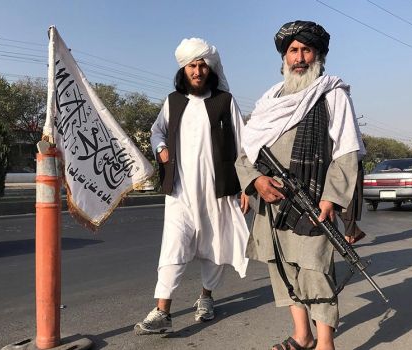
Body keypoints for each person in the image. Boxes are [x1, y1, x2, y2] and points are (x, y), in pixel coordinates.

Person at [235, 21, 365, 350]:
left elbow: (347, 152)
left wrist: (332, 199)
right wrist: (256, 181)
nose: (299, 57)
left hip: (311, 201)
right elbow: (245, 151)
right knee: (282, 269)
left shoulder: (331, 94)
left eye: (306, 50)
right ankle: (301, 336)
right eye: (293, 50)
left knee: (315, 270)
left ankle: (324, 343)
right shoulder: (269, 101)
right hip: (272, 203)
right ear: (284, 57)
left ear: (318, 55)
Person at [134, 38, 250, 335]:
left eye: (202, 65)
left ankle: (206, 298)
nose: (197, 71)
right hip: (180, 191)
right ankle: (163, 311)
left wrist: (247, 187)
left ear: (209, 69)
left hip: (218, 190)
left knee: (215, 245)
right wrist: (160, 148)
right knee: (172, 247)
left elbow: (243, 143)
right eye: (191, 66)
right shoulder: (173, 101)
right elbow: (156, 131)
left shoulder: (225, 101)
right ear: (183, 70)